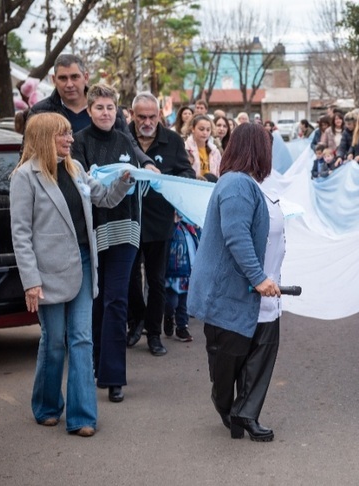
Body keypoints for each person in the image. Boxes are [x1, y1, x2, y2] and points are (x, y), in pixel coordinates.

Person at [9, 112, 133, 437]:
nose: (70, 139)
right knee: (54, 343)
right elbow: (20, 235)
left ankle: (82, 417)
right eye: (63, 135)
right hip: (47, 272)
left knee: (81, 339)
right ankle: (47, 406)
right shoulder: (25, 177)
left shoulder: (75, 169)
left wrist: (124, 180)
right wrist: (31, 282)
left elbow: (104, 199)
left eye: (69, 134)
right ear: (45, 138)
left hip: (82, 262)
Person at [187, 123, 285, 442]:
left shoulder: (256, 186)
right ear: (259, 149)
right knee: (227, 363)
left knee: (261, 353)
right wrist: (258, 278)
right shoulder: (236, 184)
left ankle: (246, 413)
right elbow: (236, 234)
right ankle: (227, 405)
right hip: (234, 292)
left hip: (265, 293)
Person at [71, 84, 148, 404]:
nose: (106, 113)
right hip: (93, 232)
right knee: (97, 300)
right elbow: (79, 186)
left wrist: (142, 172)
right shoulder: (78, 143)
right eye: (100, 107)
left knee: (116, 299)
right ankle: (96, 363)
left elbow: (141, 174)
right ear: (89, 110)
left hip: (126, 229)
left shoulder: (125, 141)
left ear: (117, 111)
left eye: (110, 108)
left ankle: (114, 377)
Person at [127, 92, 196, 356]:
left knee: (156, 281)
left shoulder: (173, 141)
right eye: (141, 116)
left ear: (159, 116)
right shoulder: (123, 139)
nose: (147, 121)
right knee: (130, 279)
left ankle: (154, 335)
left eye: (152, 116)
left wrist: (169, 185)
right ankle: (136, 321)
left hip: (159, 222)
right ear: (133, 115)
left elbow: (186, 173)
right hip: (127, 220)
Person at [164, 216, 200, 342]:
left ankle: (182, 327)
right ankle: (168, 316)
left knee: (184, 303)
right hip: (173, 273)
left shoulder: (189, 230)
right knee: (172, 301)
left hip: (186, 273)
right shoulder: (173, 228)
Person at [185, 114, 222, 179]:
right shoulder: (185, 148)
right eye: (201, 129)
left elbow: (219, 174)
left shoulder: (215, 151)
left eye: (208, 130)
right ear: (193, 129)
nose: (205, 133)